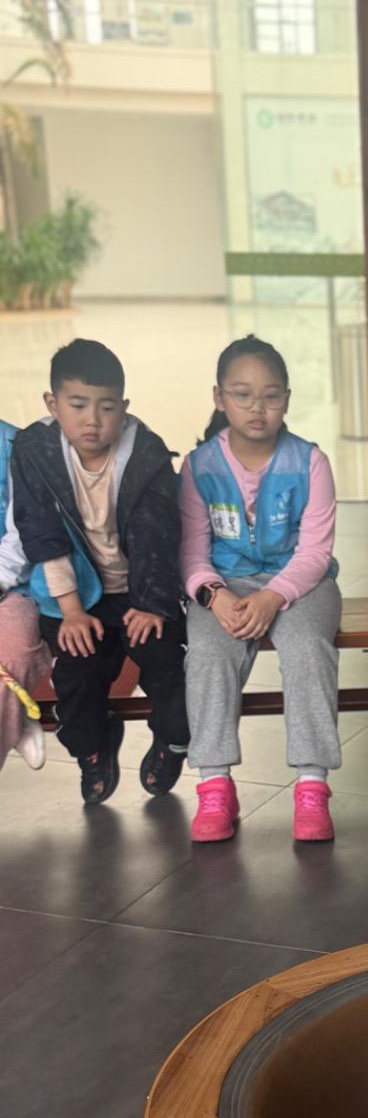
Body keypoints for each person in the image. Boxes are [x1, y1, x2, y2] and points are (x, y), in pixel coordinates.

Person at [11, 340, 188, 804]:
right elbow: (41, 533)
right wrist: (70, 610)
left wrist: (152, 605)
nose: (93, 420)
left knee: (168, 663)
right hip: (75, 595)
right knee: (77, 671)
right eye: (78, 405)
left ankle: (172, 741)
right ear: (52, 404)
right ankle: (92, 748)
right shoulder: (34, 449)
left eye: (107, 407)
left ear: (124, 408)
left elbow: (158, 536)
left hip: (140, 589)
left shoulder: (144, 453)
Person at [179, 336, 340, 843]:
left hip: (302, 582)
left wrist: (274, 596)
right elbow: (190, 552)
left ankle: (312, 785)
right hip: (225, 585)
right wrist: (214, 595)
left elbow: (315, 552)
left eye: (270, 396)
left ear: (286, 399)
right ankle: (214, 786)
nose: (257, 408)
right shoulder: (199, 466)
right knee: (207, 653)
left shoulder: (309, 462)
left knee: (308, 647)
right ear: (219, 397)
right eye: (242, 395)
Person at [0, 418, 51, 771]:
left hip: (11, 585)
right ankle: (14, 719)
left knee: (13, 654)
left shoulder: (16, 445)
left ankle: (11, 715)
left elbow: (24, 531)